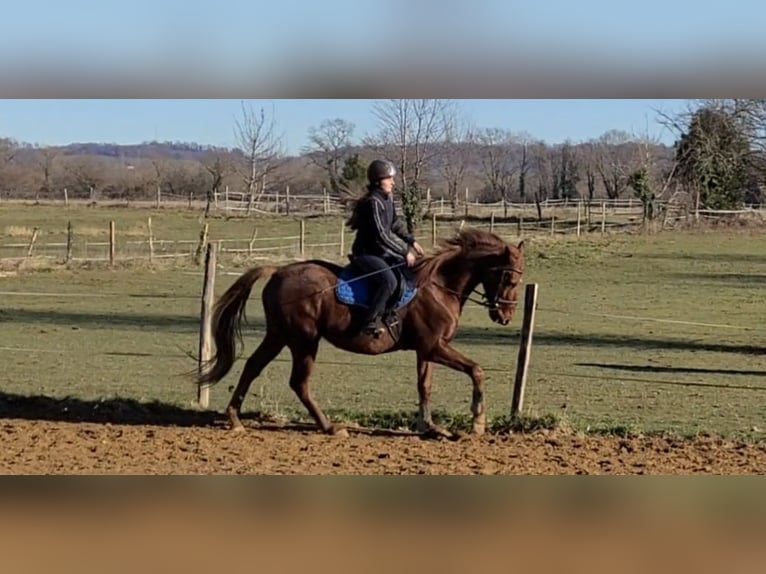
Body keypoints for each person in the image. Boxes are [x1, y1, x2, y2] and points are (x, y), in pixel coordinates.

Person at [346, 159, 425, 337]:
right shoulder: (373, 203)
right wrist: (405, 252)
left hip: (381, 253)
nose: (393, 182)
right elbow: (381, 234)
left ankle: (390, 312)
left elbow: (395, 224)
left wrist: (411, 241)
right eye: (389, 178)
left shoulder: (386, 199)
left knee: (409, 274)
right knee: (388, 281)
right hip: (366, 254)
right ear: (377, 180)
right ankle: (370, 321)